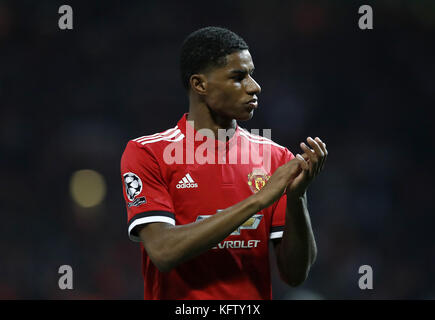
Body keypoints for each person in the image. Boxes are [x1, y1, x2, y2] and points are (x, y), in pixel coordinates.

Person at [120, 26, 327, 300]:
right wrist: (259, 200)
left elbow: (294, 274)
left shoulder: (276, 159)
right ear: (200, 85)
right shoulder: (148, 153)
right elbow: (163, 251)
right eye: (238, 77)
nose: (255, 86)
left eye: (252, 74)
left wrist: (296, 197)